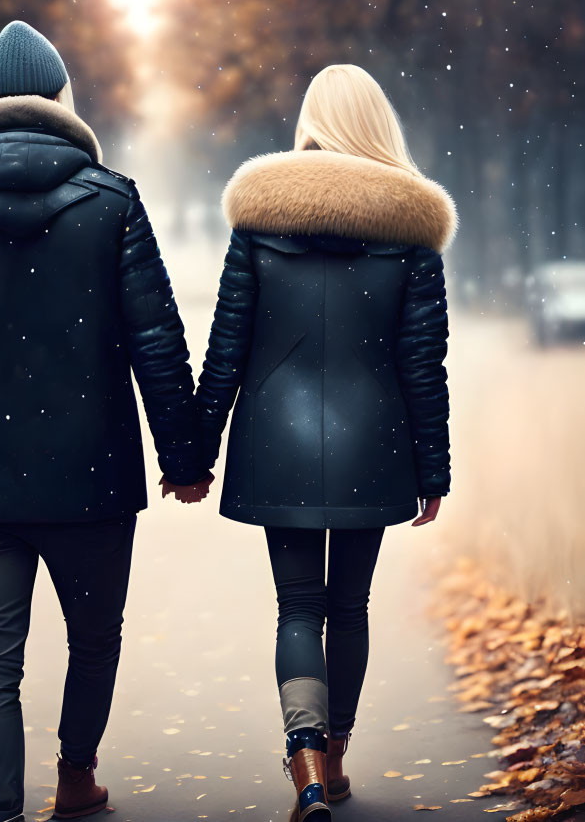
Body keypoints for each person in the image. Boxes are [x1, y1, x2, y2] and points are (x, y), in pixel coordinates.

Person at [0, 20, 210, 822]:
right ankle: (74, 774)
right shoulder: (111, 201)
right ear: (64, 99)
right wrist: (185, 456)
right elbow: (156, 343)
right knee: (93, 639)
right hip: (89, 479)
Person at [192, 64, 456, 822]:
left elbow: (227, 350)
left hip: (275, 441)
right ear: (380, 127)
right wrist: (433, 466)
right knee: (350, 604)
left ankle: (302, 763)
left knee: (297, 605)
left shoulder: (258, 224)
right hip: (374, 441)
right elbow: (420, 363)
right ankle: (336, 756)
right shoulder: (410, 237)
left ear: (309, 121)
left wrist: (193, 453)